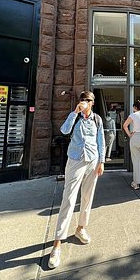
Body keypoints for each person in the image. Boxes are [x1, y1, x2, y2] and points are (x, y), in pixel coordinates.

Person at [48, 91, 105, 269]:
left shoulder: (97, 119)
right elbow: (64, 130)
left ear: (93, 103)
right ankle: (57, 243)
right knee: (69, 199)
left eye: (87, 100)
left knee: (87, 198)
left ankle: (81, 228)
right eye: (82, 100)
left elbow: (101, 140)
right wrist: (74, 112)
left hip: (92, 160)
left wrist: (102, 161)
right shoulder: (75, 117)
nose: (84, 102)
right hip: (75, 160)